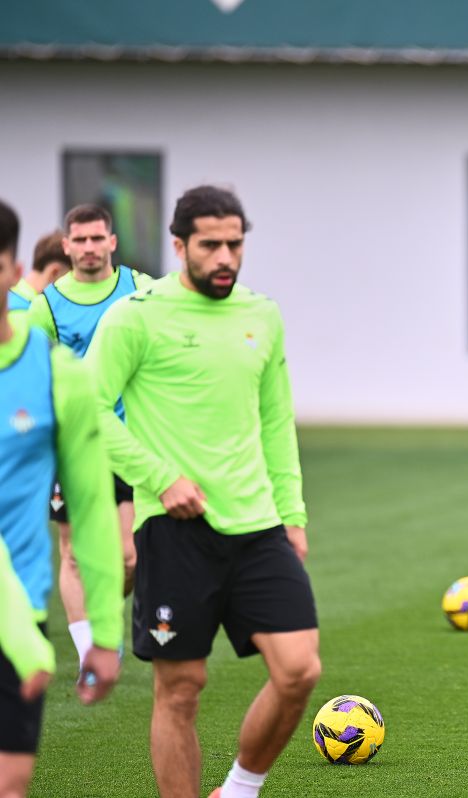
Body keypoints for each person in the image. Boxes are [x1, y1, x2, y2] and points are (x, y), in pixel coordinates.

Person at [86, 186, 320, 798]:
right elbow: (87, 411)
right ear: (179, 245)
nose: (225, 257)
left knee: (299, 671)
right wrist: (161, 478)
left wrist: (292, 515)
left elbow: (276, 422)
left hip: (258, 526)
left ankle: (239, 789)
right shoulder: (135, 315)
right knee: (182, 688)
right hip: (173, 532)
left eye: (234, 245)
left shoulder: (261, 314)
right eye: (210, 245)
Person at [0, 198, 123, 798]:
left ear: (10, 269)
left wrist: (104, 631)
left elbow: (92, 508)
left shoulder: (54, 375)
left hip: (18, 615)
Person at [26, 206, 151, 670]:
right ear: (67, 246)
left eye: (98, 238)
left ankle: (103, 616)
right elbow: (33, 371)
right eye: (80, 240)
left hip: (127, 440)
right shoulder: (47, 306)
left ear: (112, 242)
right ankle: (90, 652)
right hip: (71, 446)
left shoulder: (140, 289)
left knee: (129, 557)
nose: (89, 248)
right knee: (75, 552)